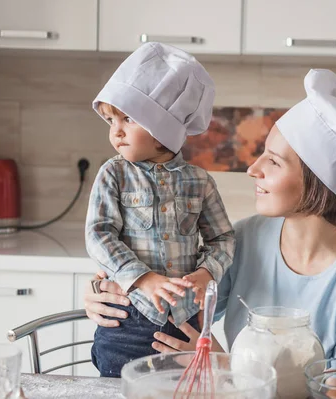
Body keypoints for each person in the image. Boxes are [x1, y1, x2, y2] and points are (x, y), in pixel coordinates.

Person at [84, 68, 336, 362]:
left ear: (317, 183)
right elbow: (179, 299)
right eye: (260, 155)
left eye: (274, 162)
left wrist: (229, 369)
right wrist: (105, 292)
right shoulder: (247, 238)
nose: (253, 170)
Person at [85, 42, 235, 377]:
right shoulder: (113, 174)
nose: (116, 131)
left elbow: (222, 238)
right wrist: (143, 279)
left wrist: (207, 272)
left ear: (163, 131)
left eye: (128, 118)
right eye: (111, 119)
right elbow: (98, 235)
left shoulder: (200, 182)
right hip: (125, 320)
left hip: (183, 322)